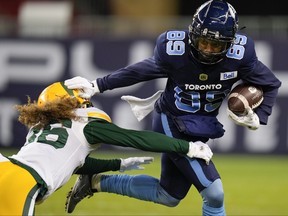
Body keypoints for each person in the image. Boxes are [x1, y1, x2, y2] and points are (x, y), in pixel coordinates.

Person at [64, 0, 282, 215]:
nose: (207, 49)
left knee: (168, 195)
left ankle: (94, 181)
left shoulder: (241, 55)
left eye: (216, 45)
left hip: (199, 127)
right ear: (193, 33)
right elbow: (139, 71)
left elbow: (270, 83)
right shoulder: (175, 50)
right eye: (203, 41)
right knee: (214, 193)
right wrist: (98, 85)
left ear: (231, 42)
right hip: (171, 122)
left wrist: (258, 117)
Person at [0, 81, 212, 215]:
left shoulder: (40, 126)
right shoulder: (86, 124)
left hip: (6, 166)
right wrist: (188, 147)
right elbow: (135, 139)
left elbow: (71, 163)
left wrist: (116, 164)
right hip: (22, 181)